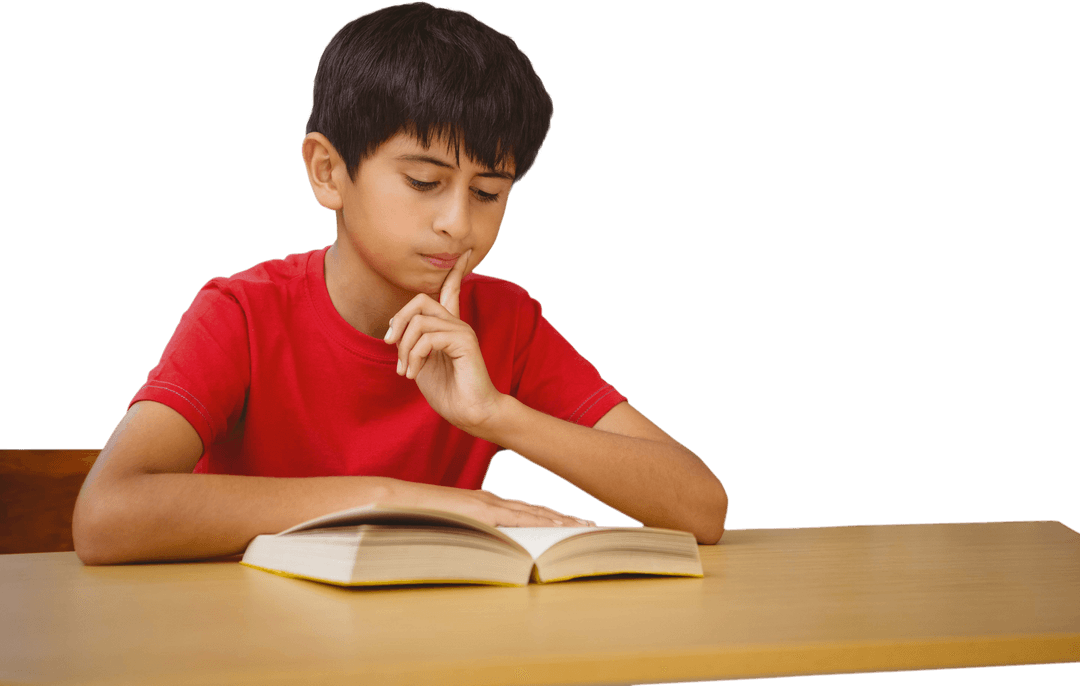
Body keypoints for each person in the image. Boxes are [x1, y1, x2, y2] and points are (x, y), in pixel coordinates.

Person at [72, 2, 729, 565]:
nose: (457, 223)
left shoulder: (501, 320)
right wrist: (385, 497)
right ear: (329, 172)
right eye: (423, 182)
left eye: (488, 191)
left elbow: (701, 506)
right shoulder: (244, 312)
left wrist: (495, 414)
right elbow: (106, 515)